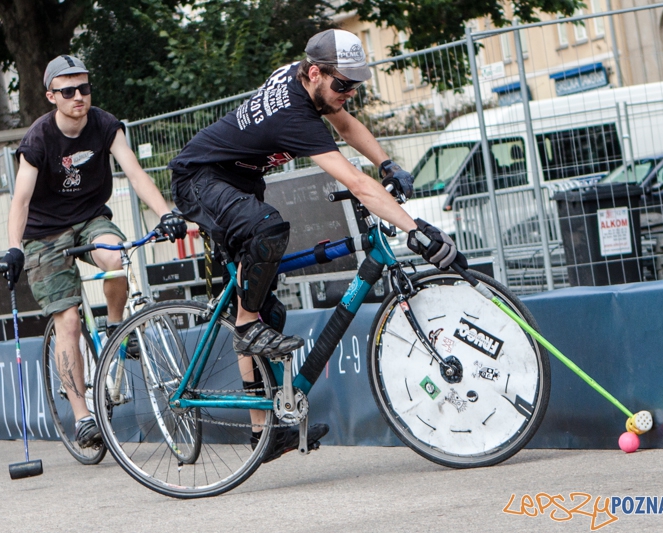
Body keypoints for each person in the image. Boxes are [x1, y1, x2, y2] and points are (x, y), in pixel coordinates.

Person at [168, 29, 467, 461]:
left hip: (239, 182)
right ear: (313, 73)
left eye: (355, 85)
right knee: (268, 231)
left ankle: (264, 432)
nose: (348, 93)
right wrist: (414, 228)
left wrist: (386, 161)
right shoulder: (294, 115)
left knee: (267, 304)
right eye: (342, 84)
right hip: (199, 181)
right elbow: (354, 181)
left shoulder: (305, 85)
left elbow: (344, 124)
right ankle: (248, 324)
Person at [0, 55, 187, 449]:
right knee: (67, 319)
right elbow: (20, 200)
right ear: (52, 96)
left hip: (90, 218)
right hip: (44, 232)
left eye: (84, 88)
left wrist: (167, 214)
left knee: (117, 257)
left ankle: (117, 327)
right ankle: (83, 416)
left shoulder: (104, 124)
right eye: (68, 91)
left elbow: (135, 172)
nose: (78, 97)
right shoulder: (37, 139)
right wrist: (14, 248)